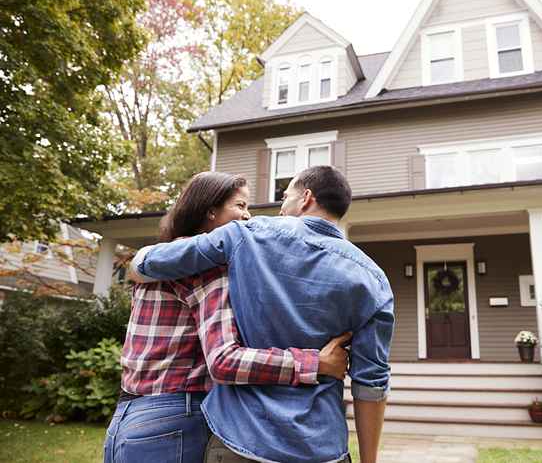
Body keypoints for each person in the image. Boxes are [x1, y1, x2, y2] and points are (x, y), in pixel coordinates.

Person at [131, 166, 394, 463]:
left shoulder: (245, 236)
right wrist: (368, 459)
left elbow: (149, 263)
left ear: (306, 198)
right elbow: (371, 383)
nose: (280, 208)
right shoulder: (374, 279)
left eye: (285, 197)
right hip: (320, 446)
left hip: (241, 441)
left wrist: (138, 263)